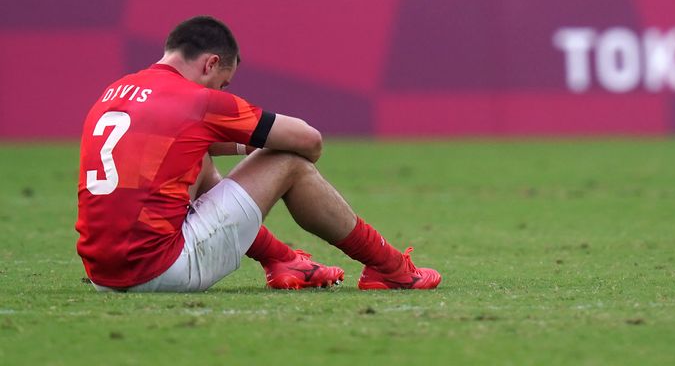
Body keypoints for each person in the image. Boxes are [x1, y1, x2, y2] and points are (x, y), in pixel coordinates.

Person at [76, 15, 440, 292]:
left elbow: (177, 144)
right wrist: (253, 143)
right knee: (289, 162)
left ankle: (282, 259)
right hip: (158, 269)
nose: (221, 89)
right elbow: (309, 141)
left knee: (197, 157)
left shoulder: (116, 91)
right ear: (210, 64)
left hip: (102, 273)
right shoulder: (198, 101)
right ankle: (390, 268)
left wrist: (222, 142)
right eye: (223, 82)